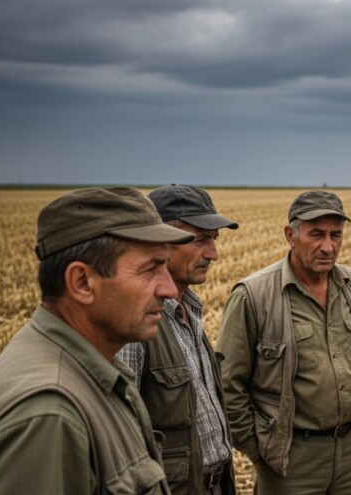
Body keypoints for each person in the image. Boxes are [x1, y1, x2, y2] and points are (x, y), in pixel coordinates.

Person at [0, 187, 195, 494]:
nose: (168, 289)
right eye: (150, 269)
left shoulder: (92, 368)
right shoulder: (49, 416)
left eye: (165, 266)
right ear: (82, 282)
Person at [216, 190, 351, 494]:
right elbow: (229, 386)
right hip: (290, 459)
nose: (328, 247)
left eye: (336, 235)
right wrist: (259, 451)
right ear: (290, 236)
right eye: (316, 234)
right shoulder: (253, 296)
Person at [118, 185, 239, 495]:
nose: (213, 254)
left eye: (214, 239)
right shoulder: (135, 326)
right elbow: (119, 442)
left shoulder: (189, 309)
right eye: (199, 240)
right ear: (158, 243)